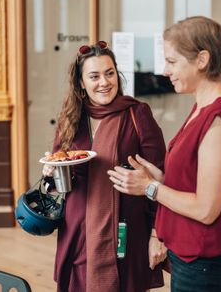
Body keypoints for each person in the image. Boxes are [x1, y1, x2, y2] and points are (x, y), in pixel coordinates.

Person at [108, 16, 221, 291]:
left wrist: (149, 187)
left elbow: (207, 210)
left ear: (202, 59)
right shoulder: (201, 108)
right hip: (195, 260)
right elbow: (194, 180)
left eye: (172, 62)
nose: (164, 70)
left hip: (209, 266)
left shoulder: (219, 118)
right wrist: (159, 177)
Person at [46, 41, 167, 292]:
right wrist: (50, 173)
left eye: (109, 73)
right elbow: (58, 171)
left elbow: (161, 177)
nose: (104, 82)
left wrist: (157, 234)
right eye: (94, 76)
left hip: (125, 231)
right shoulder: (71, 118)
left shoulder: (137, 114)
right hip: (77, 232)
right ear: (81, 82)